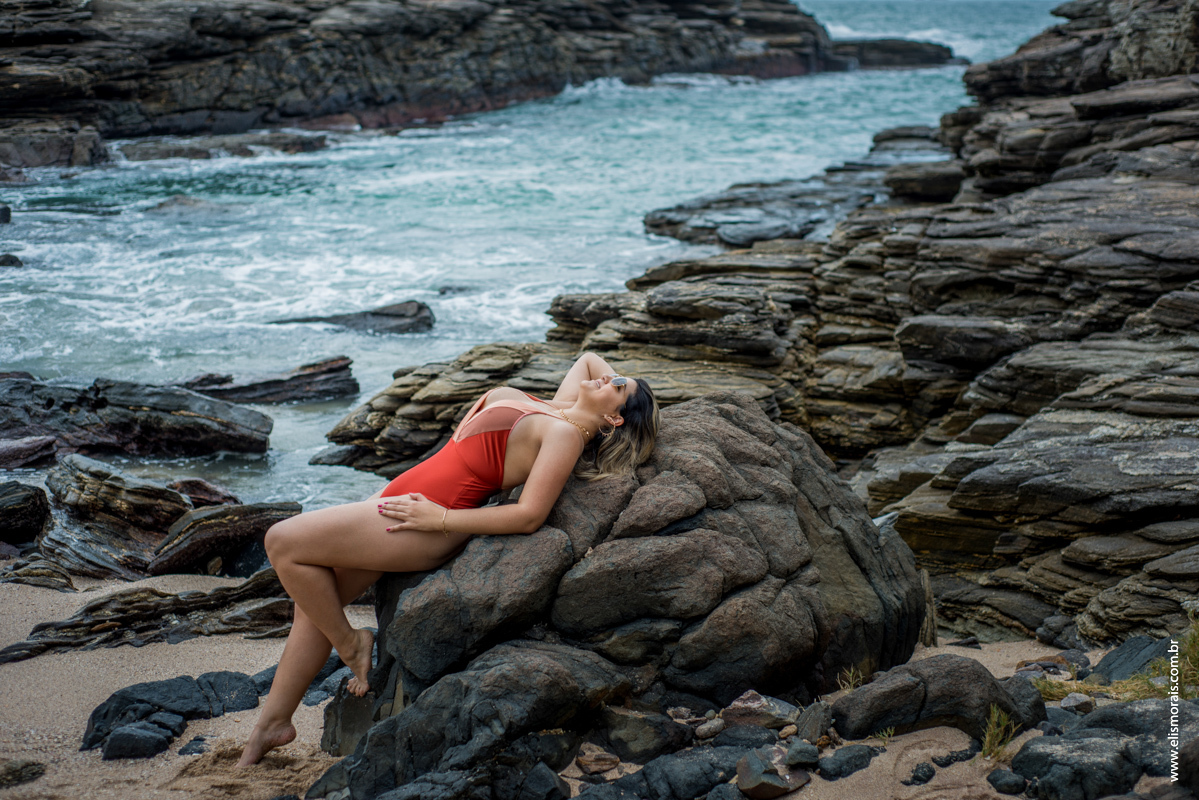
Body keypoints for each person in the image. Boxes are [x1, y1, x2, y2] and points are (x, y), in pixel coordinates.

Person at [237, 352, 658, 766]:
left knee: (282, 541)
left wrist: (439, 518)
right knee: (312, 605)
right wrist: (627, 389)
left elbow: (530, 515)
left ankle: (351, 643)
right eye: (615, 376)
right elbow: (589, 357)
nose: (610, 378)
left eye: (618, 388)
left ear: (614, 420)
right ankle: (272, 726)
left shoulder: (566, 435)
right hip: (402, 499)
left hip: (426, 519)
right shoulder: (562, 408)